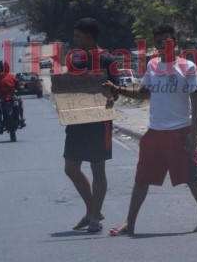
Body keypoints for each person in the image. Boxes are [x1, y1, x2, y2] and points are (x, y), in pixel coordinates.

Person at [105, 24, 197, 236]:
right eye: (159, 40)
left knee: (192, 178)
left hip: (181, 131)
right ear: (155, 44)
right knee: (141, 179)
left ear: (175, 43)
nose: (164, 44)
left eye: (168, 40)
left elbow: (196, 101)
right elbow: (144, 93)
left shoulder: (188, 66)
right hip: (154, 133)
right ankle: (130, 223)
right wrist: (117, 89)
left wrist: (194, 134)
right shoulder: (152, 65)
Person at [63, 18, 119, 233]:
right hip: (77, 121)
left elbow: (116, 91)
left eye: (77, 35)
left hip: (100, 121)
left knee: (98, 168)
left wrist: (108, 91)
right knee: (70, 168)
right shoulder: (75, 60)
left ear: (88, 35)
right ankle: (91, 209)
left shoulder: (107, 59)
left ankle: (95, 216)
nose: (74, 39)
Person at [0, 60, 25, 134]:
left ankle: (1, 122)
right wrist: (20, 88)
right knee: (19, 101)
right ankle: (21, 120)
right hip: (9, 97)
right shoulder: (10, 75)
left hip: (1, 98)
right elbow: (17, 85)